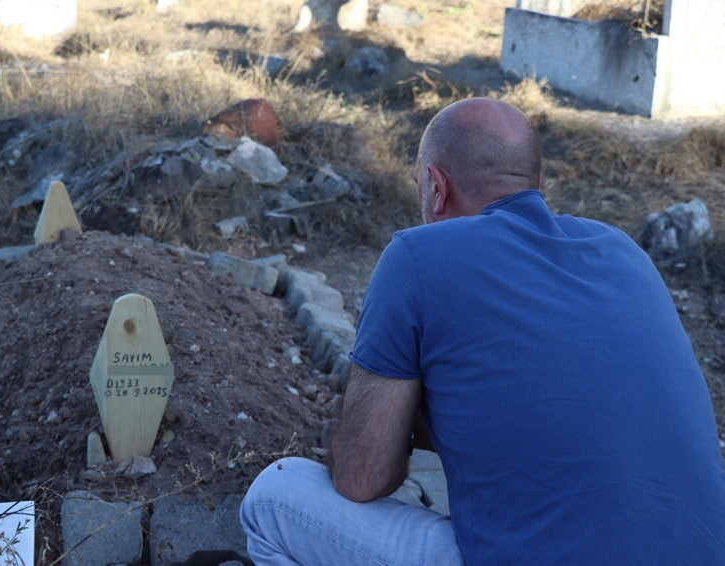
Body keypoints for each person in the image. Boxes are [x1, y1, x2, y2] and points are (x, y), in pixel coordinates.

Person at [239, 98, 725, 565]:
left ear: (435, 186)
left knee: (275, 496)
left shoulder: (418, 256)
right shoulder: (622, 251)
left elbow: (361, 477)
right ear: (534, 183)